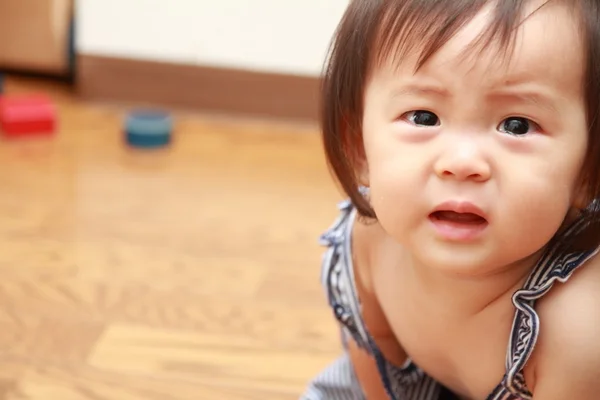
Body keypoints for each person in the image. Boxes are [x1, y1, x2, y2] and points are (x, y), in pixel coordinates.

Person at [300, 0, 600, 399]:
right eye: (424, 117)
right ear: (359, 147)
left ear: (586, 171)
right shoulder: (367, 244)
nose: (462, 163)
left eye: (517, 125)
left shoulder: (577, 330)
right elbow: (373, 374)